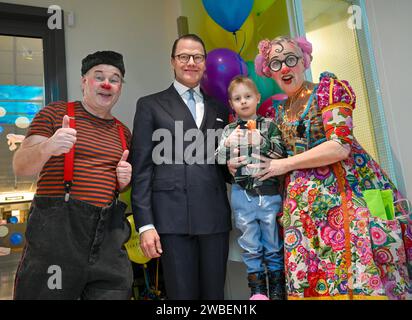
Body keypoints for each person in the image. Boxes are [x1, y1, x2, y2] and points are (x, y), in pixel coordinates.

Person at [228, 35, 412, 300]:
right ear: (269, 72)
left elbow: (339, 146)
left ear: (305, 60)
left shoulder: (329, 90)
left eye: (291, 59)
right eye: (276, 63)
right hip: (304, 217)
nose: (285, 67)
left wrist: (284, 164)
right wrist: (238, 161)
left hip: (345, 200)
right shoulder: (278, 112)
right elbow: (268, 153)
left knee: (356, 280)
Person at [12, 51, 133, 300]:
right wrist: (49, 147)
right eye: (98, 76)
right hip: (57, 239)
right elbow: (21, 166)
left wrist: (123, 182)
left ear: (120, 87)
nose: (107, 83)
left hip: (107, 242)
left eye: (115, 78)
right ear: (83, 81)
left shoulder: (124, 132)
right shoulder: (55, 114)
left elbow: (113, 186)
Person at [131, 34, 231, 300]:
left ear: (205, 63)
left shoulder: (219, 108)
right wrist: (145, 225)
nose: (191, 62)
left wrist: (238, 165)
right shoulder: (150, 105)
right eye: (184, 56)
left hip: (214, 217)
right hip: (171, 220)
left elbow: (222, 164)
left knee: (215, 297)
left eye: (197, 57)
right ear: (172, 61)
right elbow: (141, 168)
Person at [216, 76, 286, 300]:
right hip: (242, 195)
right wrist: (228, 147)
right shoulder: (229, 130)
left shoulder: (269, 126)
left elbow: (281, 153)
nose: (243, 102)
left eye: (247, 96)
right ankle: (258, 291)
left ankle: (276, 287)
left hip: (268, 194)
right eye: (237, 98)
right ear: (231, 104)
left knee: (272, 241)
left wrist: (260, 140)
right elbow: (218, 158)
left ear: (257, 98)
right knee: (250, 242)